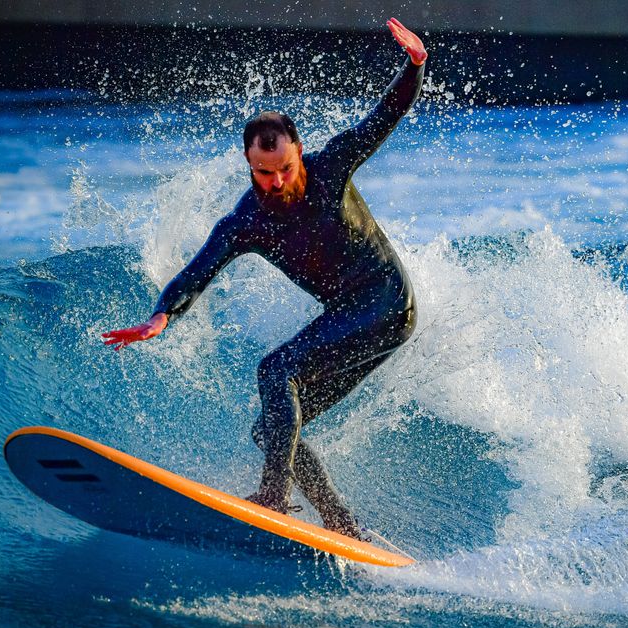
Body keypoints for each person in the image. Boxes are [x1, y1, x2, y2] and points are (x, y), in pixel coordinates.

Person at [101, 18, 427, 539]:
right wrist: (162, 315)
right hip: (352, 316)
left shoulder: (331, 168)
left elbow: (385, 115)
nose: (275, 182)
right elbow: (196, 272)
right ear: (249, 165)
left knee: (277, 371)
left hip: (388, 303)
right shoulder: (247, 222)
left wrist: (414, 65)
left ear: (298, 154)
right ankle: (341, 522)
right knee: (274, 424)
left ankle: (274, 496)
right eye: (262, 172)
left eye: (284, 169)